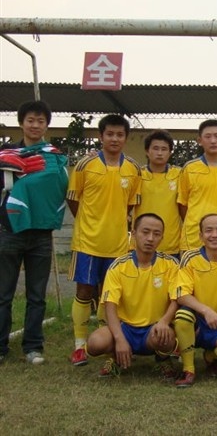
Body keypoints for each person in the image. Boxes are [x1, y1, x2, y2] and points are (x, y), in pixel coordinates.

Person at [67, 114, 142, 366]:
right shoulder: (84, 165)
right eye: (109, 134)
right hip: (87, 242)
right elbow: (73, 199)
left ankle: (105, 340)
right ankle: (79, 345)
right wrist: (88, 223)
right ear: (101, 136)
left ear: (126, 138)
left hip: (118, 245)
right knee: (84, 291)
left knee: (108, 295)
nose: (114, 139)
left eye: (120, 134)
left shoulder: (133, 168)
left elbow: (130, 206)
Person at [0, 100, 68, 365]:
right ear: (21, 123)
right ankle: (1, 346)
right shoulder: (5, 155)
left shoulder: (54, 157)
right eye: (30, 120)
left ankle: (33, 347)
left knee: (37, 295)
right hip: (9, 230)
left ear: (47, 125)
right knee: (3, 294)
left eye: (41, 121)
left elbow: (60, 188)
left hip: (40, 233)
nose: (35, 125)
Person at [86, 213, 178, 377]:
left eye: (156, 234)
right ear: (134, 233)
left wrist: (164, 322)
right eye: (145, 232)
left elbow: (176, 300)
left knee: (166, 337)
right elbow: (110, 305)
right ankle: (115, 358)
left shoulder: (171, 264)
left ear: (162, 238)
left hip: (154, 329)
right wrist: (119, 338)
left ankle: (163, 359)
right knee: (95, 343)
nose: (150, 238)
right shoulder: (118, 266)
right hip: (125, 328)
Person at [172, 213, 217, 388]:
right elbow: (181, 294)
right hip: (197, 322)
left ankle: (211, 355)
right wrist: (206, 311)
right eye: (209, 230)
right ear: (200, 236)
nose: (214, 235)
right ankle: (188, 369)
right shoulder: (190, 258)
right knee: (183, 315)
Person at [178, 119, 217, 251]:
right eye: (208, 136)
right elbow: (182, 205)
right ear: (199, 141)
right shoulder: (189, 168)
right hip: (193, 238)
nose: (213, 141)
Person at [134, 130, 181, 258]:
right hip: (141, 245)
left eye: (164, 149)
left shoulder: (179, 175)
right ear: (147, 151)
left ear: (170, 152)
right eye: (155, 148)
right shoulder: (137, 175)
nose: (159, 153)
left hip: (171, 246)